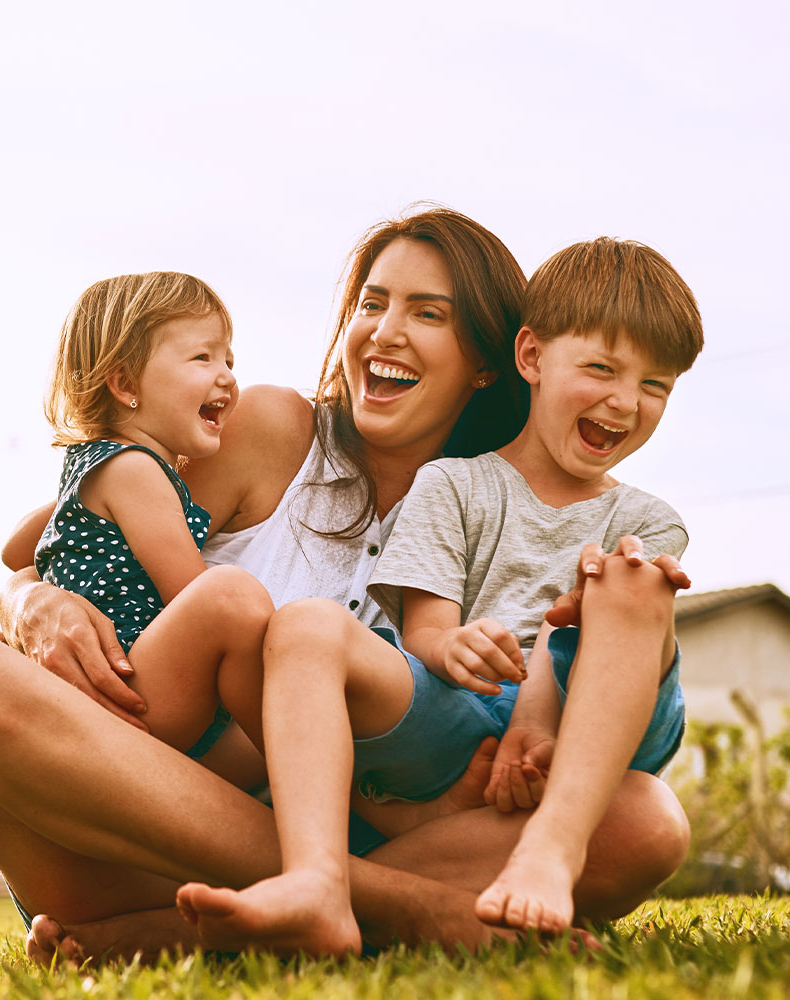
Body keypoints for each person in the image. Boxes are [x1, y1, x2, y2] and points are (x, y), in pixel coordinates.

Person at [0, 208, 691, 960]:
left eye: (427, 313)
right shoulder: (270, 430)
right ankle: (392, 906)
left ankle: (211, 922)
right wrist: (33, 601)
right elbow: (76, 527)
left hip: (384, 838)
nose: (384, 331)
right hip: (132, 831)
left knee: (643, 821)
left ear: (489, 362)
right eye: (371, 303)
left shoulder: (509, 510)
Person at [173, 237, 701, 953]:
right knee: (305, 626)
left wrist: (539, 721)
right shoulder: (452, 483)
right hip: (466, 711)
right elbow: (423, 630)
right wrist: (451, 645)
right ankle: (317, 883)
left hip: (591, 723)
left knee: (629, 584)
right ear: (531, 359)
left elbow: (582, 638)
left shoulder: (645, 520)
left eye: (654, 386)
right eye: (602, 369)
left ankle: (551, 848)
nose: (622, 401)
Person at [33, 271, 272, 758]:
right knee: (232, 596)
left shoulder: (93, 463)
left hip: (124, 693)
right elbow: (194, 595)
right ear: (124, 383)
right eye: (202, 357)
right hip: (133, 689)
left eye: (229, 358)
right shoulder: (135, 470)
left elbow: (21, 548)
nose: (226, 375)